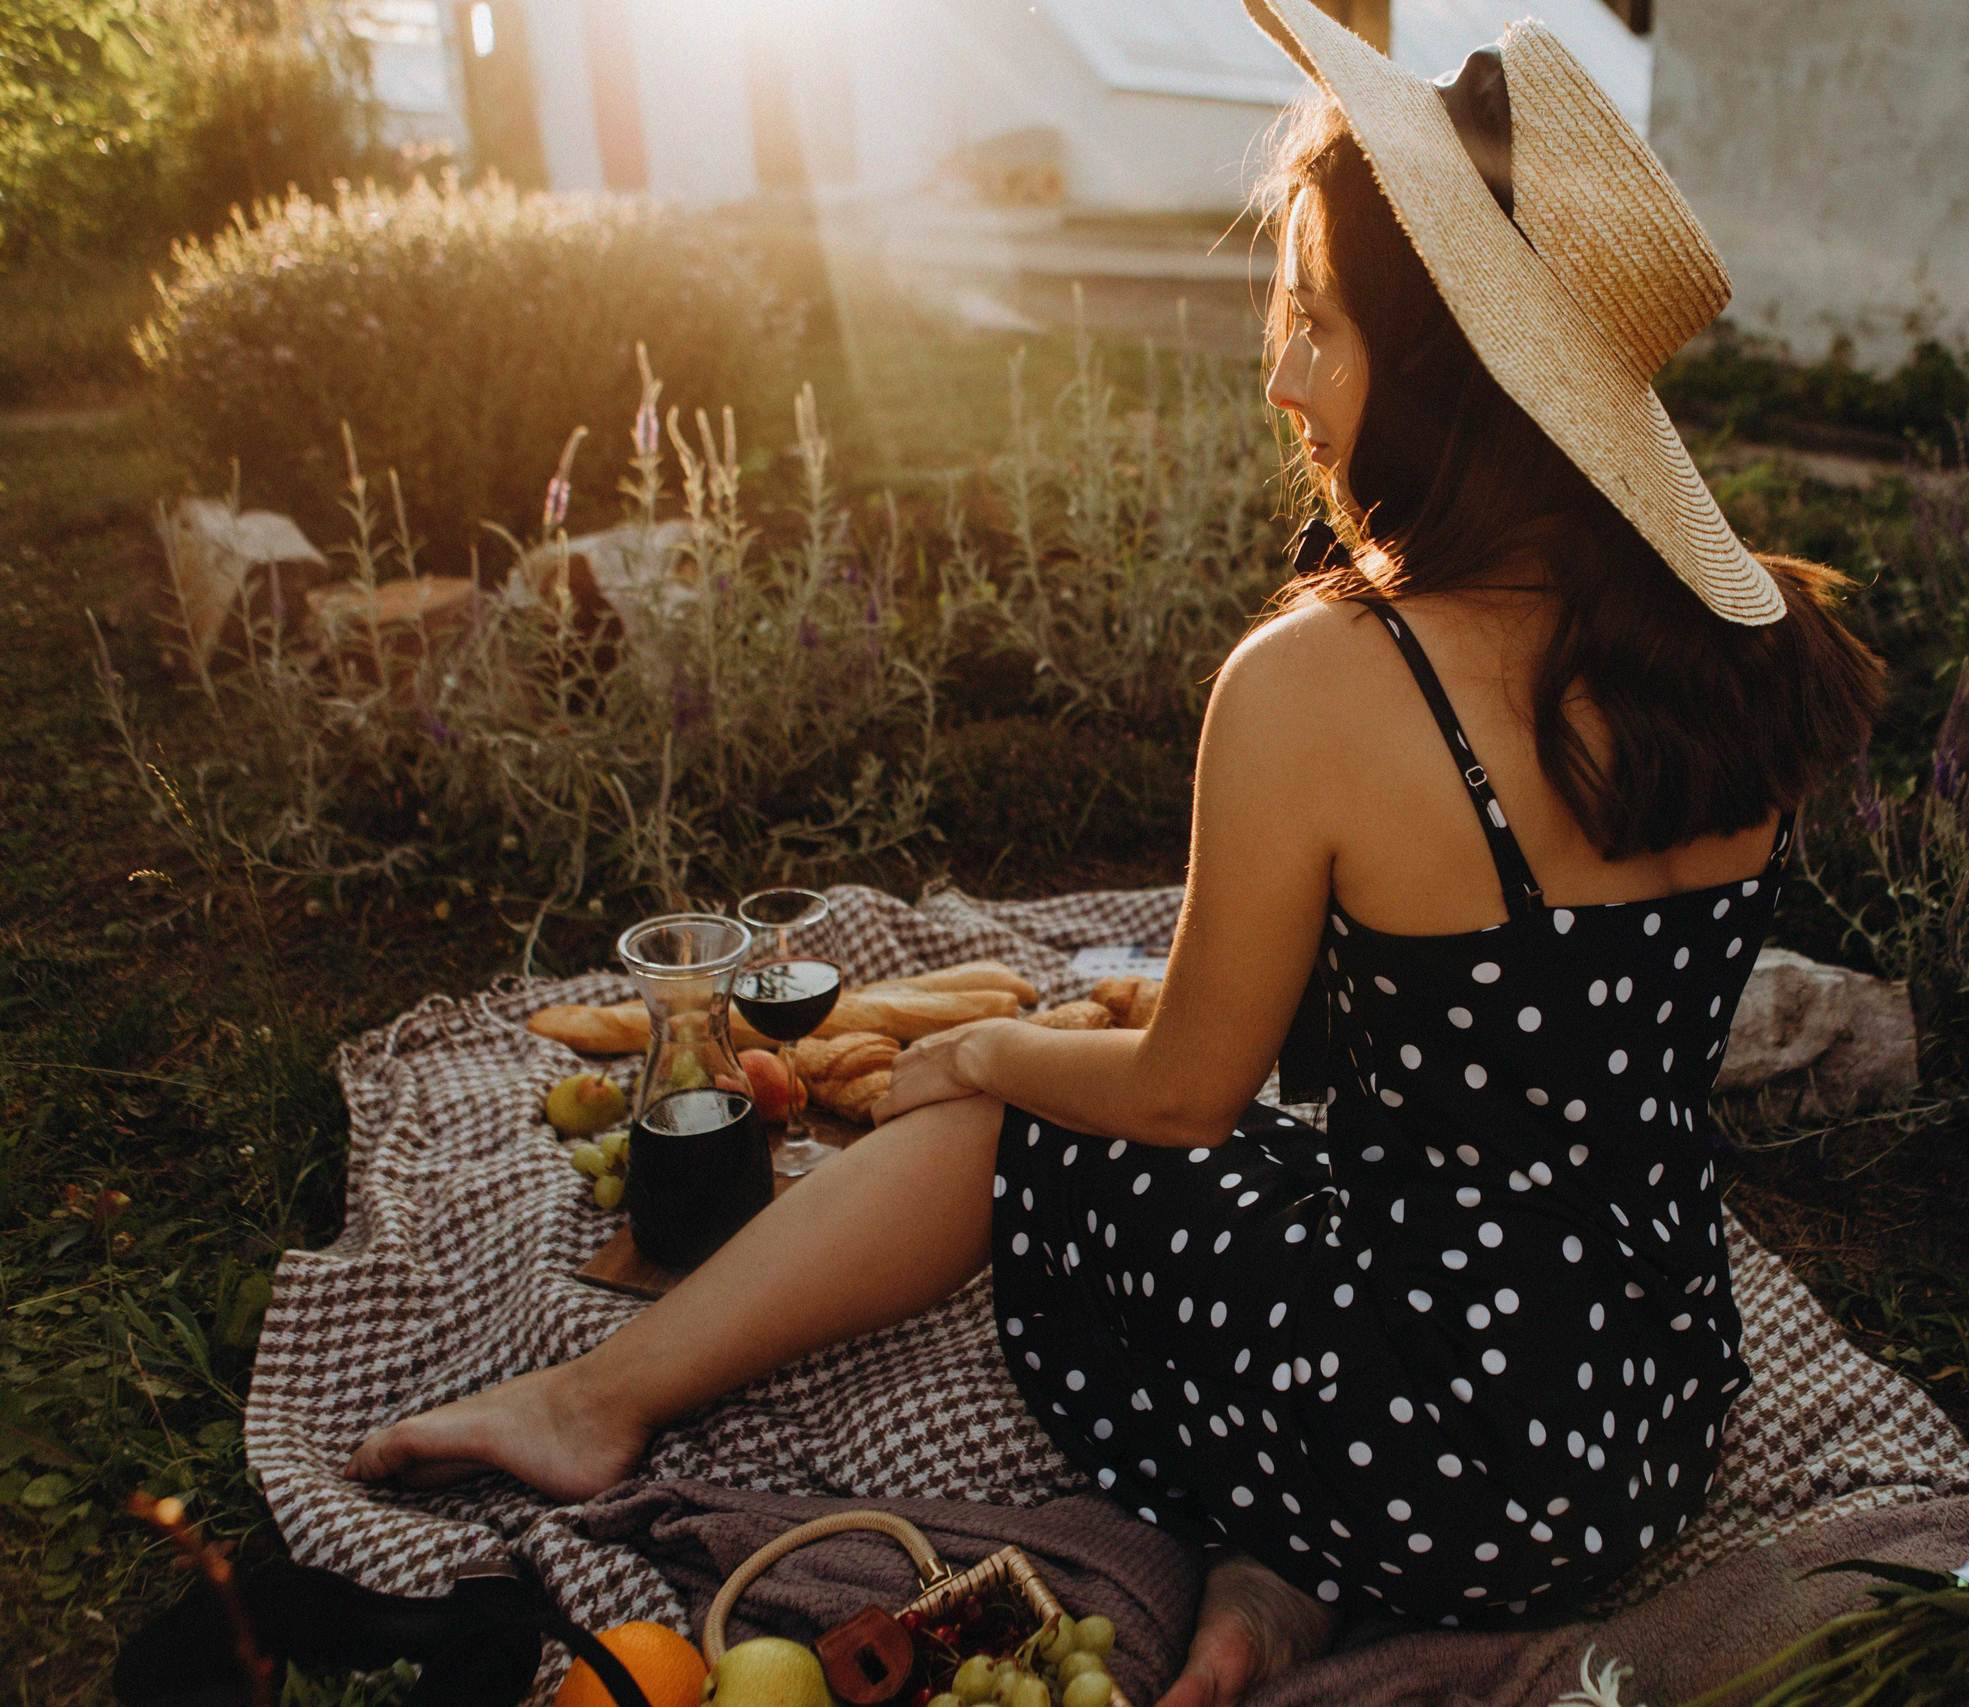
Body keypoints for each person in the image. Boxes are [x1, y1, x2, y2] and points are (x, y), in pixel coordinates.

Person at [346, 3, 1888, 1702]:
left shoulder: (1328, 680)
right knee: (1294, 1167)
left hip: (1428, 1439)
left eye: (1319, 324)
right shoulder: (1750, 637)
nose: (1281, 372)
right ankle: (1287, 1581)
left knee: (1040, 1108)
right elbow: (1523, 1035)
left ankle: (593, 1403)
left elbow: (1181, 1098)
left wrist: (992, 1052)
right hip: (1642, 1412)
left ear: (1446, 379)